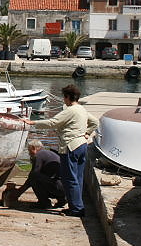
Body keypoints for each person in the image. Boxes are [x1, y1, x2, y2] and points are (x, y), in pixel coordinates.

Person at [22, 84, 99, 217]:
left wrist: (32, 123)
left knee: (70, 179)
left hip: (71, 146)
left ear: (68, 97)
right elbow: (95, 122)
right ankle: (78, 206)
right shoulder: (82, 109)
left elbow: (53, 122)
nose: (64, 100)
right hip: (82, 145)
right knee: (78, 178)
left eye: (64, 97)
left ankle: (76, 209)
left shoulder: (70, 110)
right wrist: (87, 133)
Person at [9, 140, 65, 209]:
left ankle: (44, 203)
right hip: (64, 188)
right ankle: (62, 199)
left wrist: (19, 192)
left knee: (33, 177)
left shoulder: (38, 155)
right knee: (38, 177)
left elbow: (33, 175)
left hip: (57, 187)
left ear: (33, 148)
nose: (29, 154)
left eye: (29, 151)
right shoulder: (47, 153)